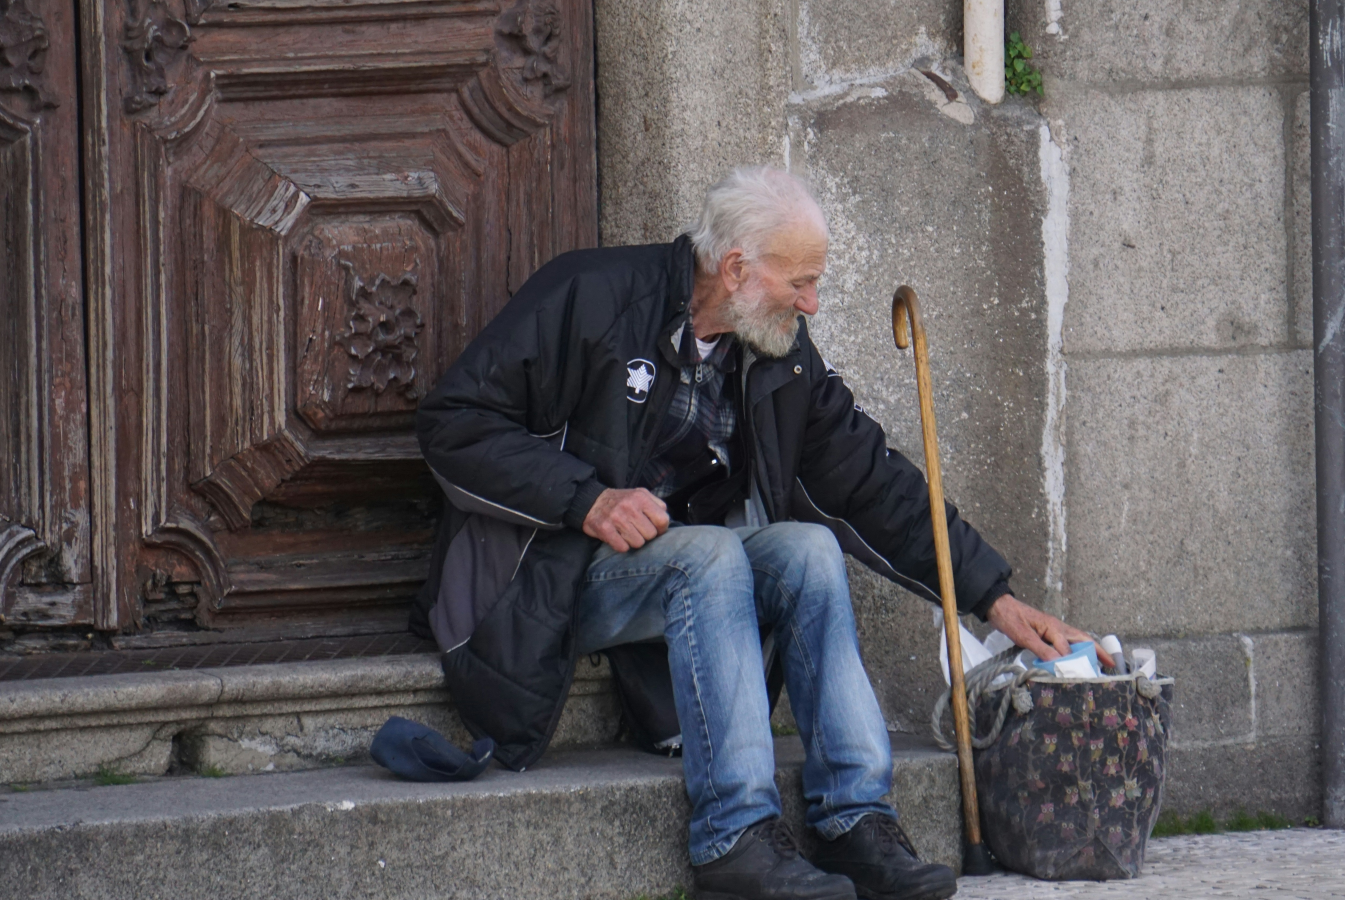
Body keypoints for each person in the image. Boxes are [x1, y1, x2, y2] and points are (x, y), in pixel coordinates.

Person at [413, 167, 1104, 900]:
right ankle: (733, 836)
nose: (811, 302)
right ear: (736, 268)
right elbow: (453, 424)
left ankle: (855, 817)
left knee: (808, 551)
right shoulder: (591, 296)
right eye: (801, 282)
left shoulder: (776, 351)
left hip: (670, 577)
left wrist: (991, 596)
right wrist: (586, 499)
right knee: (708, 557)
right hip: (546, 578)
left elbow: (871, 482)